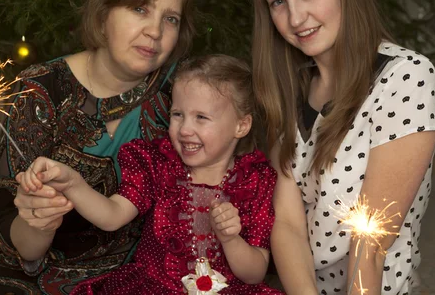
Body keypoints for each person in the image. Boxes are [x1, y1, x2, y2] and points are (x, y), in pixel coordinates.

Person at [0, 0, 195, 295]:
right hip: (20, 254)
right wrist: (39, 224)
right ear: (103, 14)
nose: (155, 31)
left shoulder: (182, 90)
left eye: (171, 19)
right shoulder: (39, 90)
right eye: (139, 9)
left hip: (131, 266)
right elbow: (22, 241)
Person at [248, 0, 435, 295]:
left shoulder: (405, 77)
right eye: (278, 2)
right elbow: (289, 225)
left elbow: (369, 243)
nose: (295, 18)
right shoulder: (290, 87)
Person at [18, 54, 283, 294]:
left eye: (201, 117)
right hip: (154, 287)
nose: (185, 129)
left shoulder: (256, 180)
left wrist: (230, 238)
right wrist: (73, 183)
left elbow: (254, 273)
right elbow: (112, 216)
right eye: (178, 114)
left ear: (241, 125)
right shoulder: (158, 164)